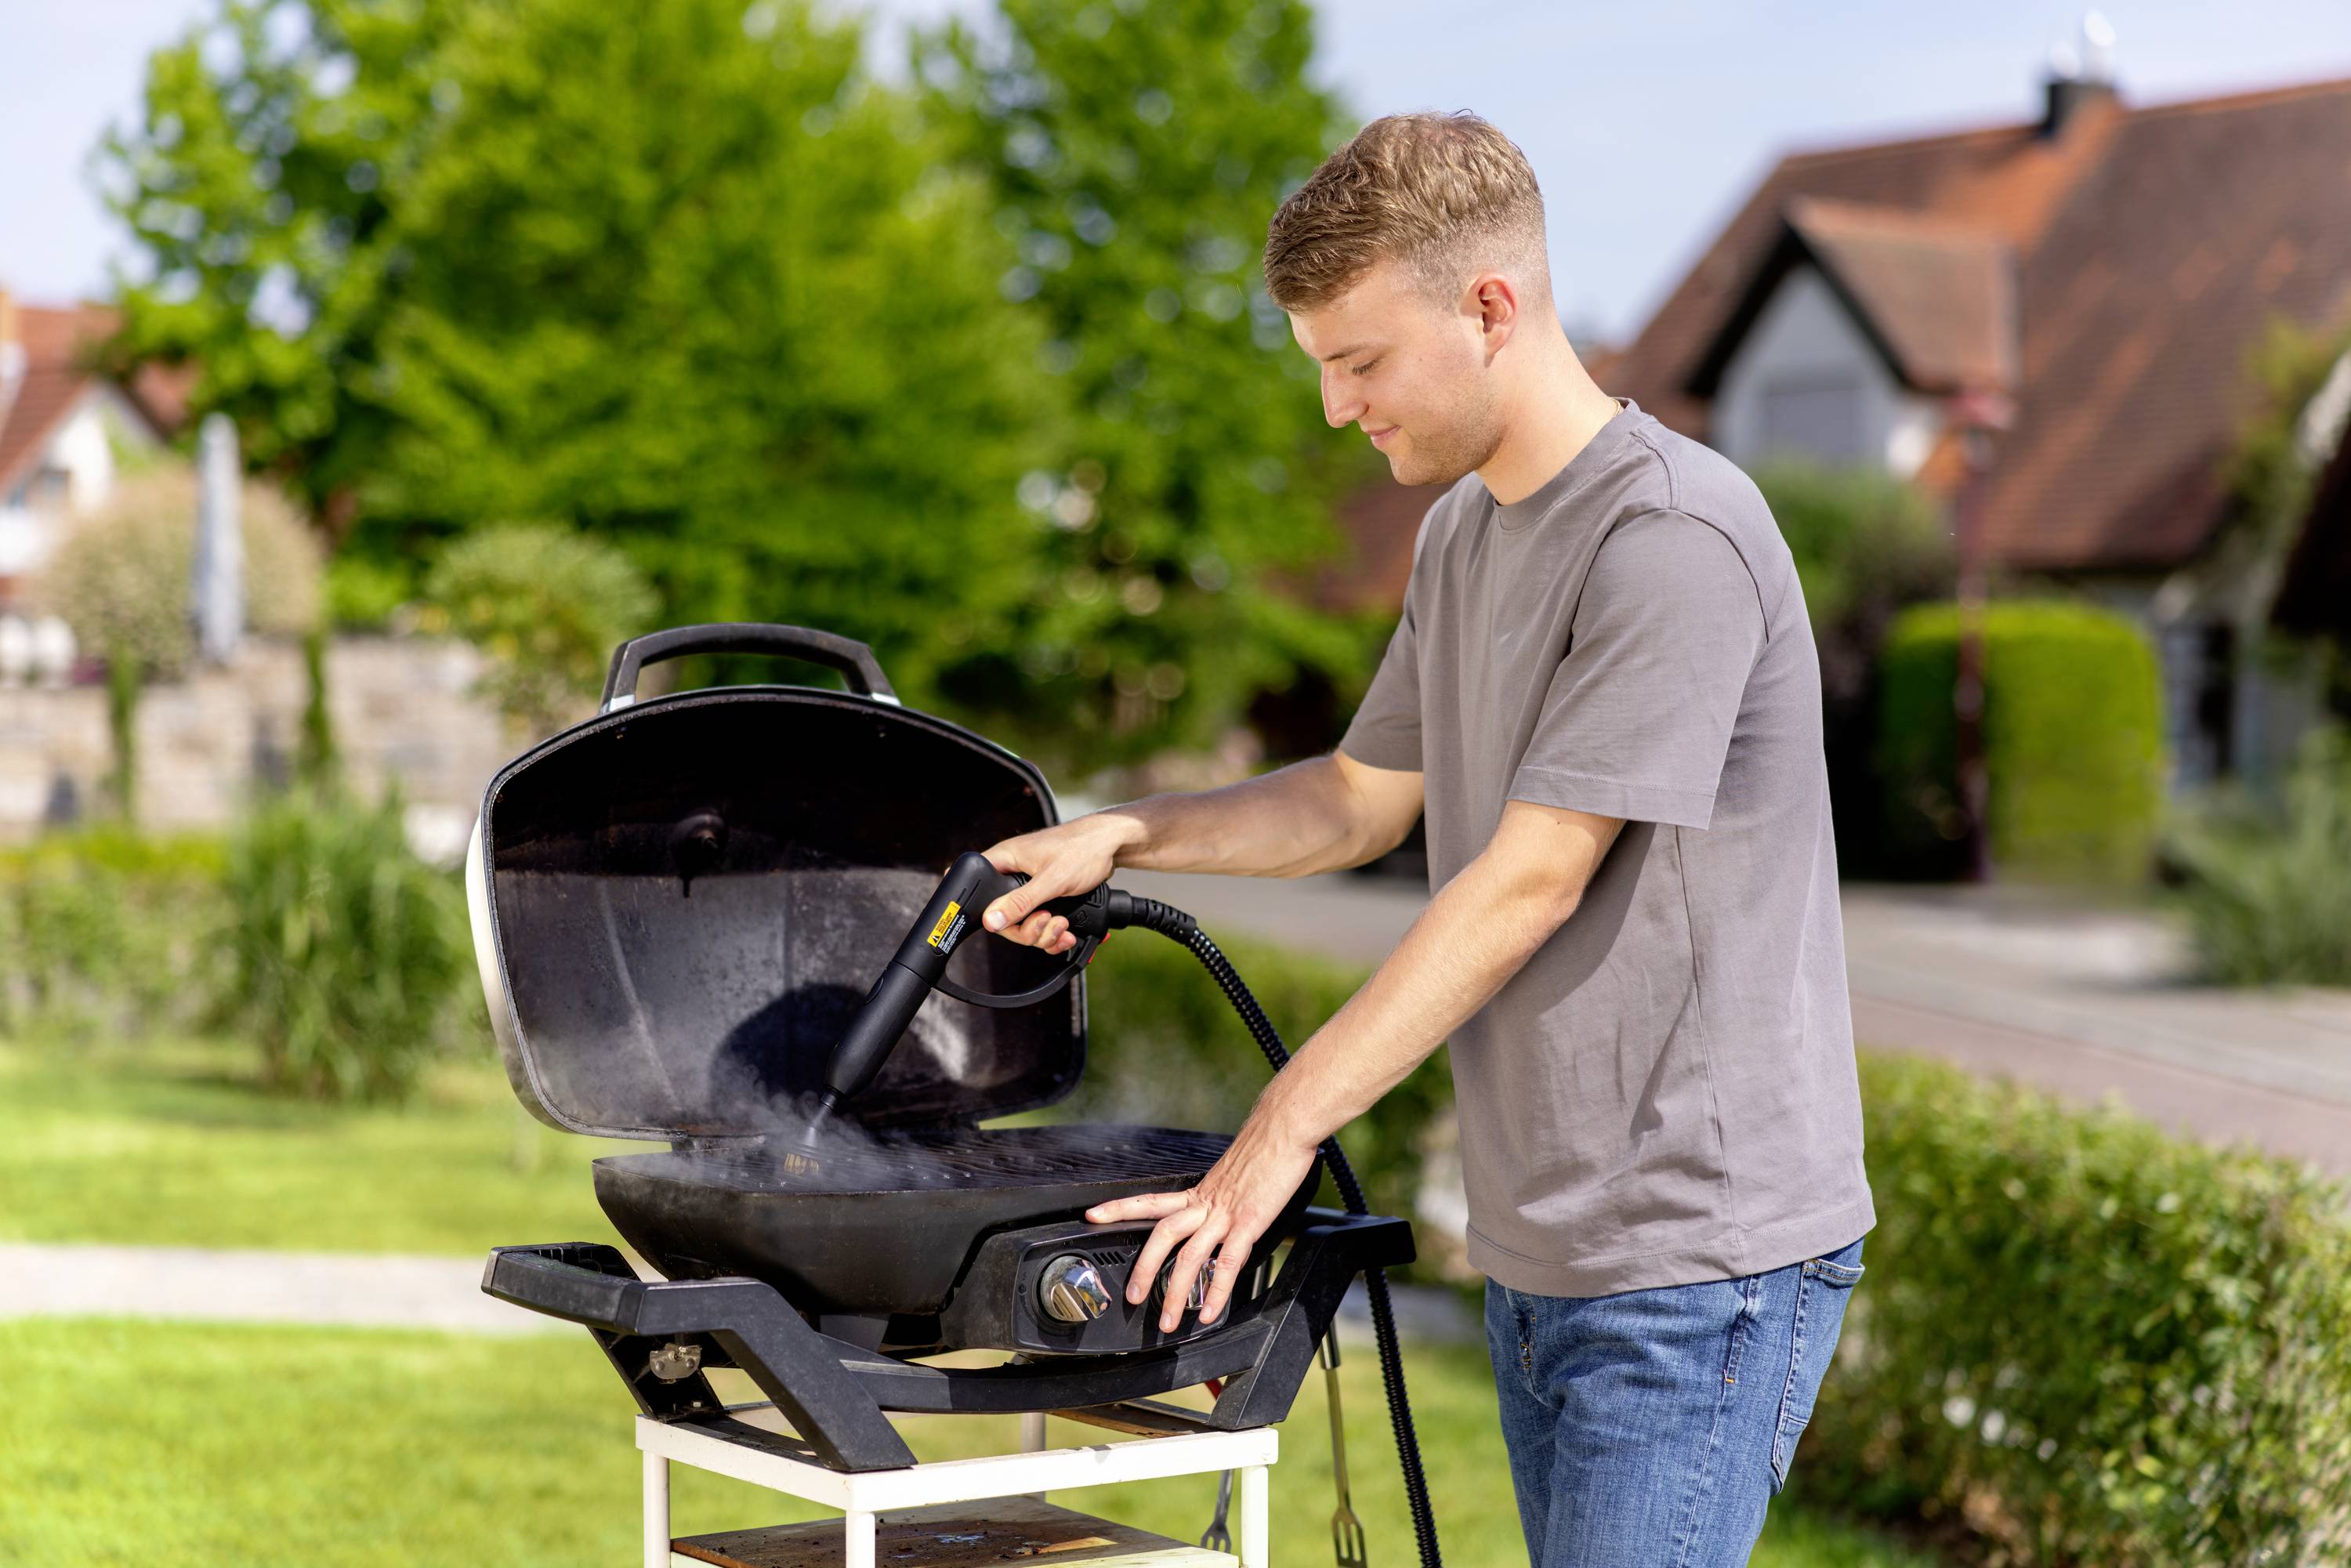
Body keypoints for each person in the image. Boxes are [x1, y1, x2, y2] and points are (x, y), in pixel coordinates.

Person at [976, 111, 1873, 1568]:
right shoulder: (1466, 538)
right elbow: (1355, 796)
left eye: (1360, 363)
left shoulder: (1674, 538)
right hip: (1540, 1246)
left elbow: (1529, 876)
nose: (1338, 408)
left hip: (1696, 1258)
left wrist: (1278, 1135)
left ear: (1491, 307)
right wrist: (1124, 834)